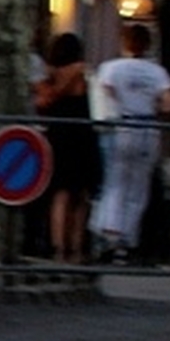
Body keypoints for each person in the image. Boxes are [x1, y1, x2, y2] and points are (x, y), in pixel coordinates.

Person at [93, 21, 170, 261]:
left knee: (115, 182)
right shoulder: (156, 72)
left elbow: (104, 92)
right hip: (147, 127)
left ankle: (110, 236)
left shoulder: (111, 68)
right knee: (138, 187)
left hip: (121, 125)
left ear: (124, 42)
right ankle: (128, 241)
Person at [35, 32, 101, 265]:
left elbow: (43, 102)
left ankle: (58, 246)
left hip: (57, 135)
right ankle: (75, 246)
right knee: (79, 195)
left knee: (60, 193)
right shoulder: (79, 72)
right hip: (81, 135)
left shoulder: (47, 77)